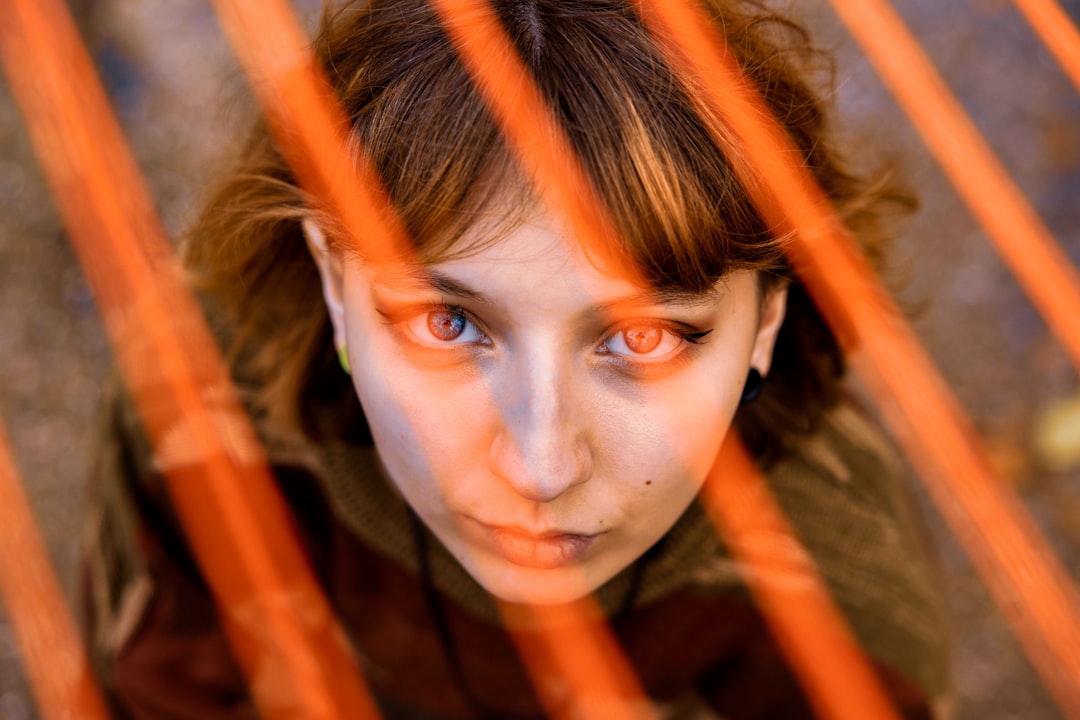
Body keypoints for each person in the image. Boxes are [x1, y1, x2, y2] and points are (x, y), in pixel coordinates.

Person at [82, 0, 951, 717]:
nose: (540, 466)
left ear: (765, 324)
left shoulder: (842, 612)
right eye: (447, 324)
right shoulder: (196, 413)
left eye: (642, 339)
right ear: (332, 283)